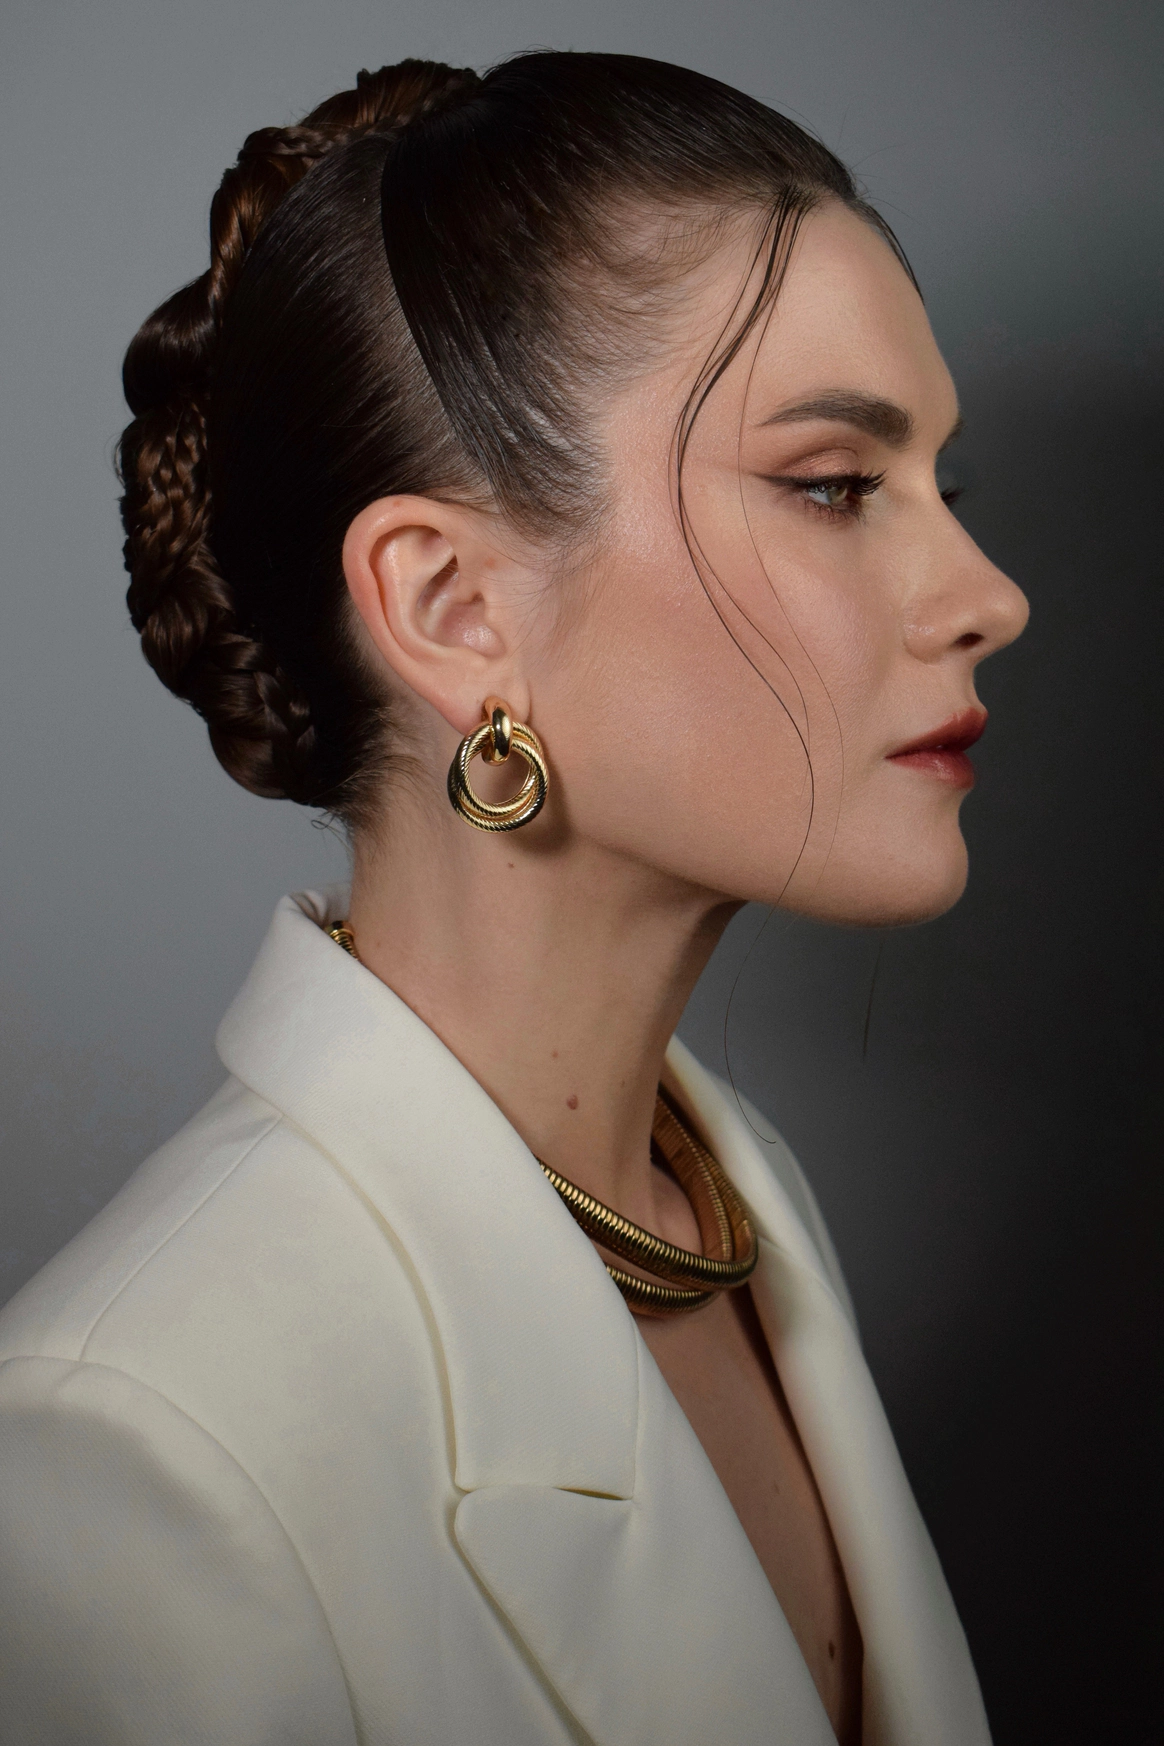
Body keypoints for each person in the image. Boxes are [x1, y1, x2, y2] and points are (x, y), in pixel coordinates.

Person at [0, 50, 1027, 1746]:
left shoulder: (743, 1215)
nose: (989, 595)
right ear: (453, 606)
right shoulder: (141, 1446)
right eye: (837, 485)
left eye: (943, 488)